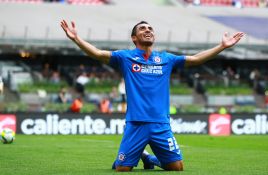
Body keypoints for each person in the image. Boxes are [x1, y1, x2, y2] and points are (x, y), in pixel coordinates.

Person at [61, 20, 244, 172]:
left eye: (150, 29)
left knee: (177, 167)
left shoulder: (166, 59)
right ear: (134, 38)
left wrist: (222, 46)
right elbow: (98, 54)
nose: (147, 30)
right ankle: (128, 158)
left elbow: (196, 59)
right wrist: (76, 38)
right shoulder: (125, 57)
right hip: (136, 123)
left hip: (160, 124)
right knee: (122, 169)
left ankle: (148, 158)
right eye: (142, 28)